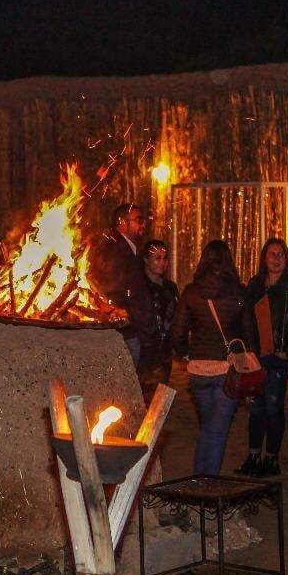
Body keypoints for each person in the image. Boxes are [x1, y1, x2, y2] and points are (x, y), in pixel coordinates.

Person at [172, 240, 250, 476]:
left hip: (198, 372)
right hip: (227, 371)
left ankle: (199, 480)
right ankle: (206, 485)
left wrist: (188, 354)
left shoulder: (191, 292)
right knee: (217, 431)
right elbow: (249, 335)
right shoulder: (238, 292)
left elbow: (177, 334)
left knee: (208, 428)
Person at [235, 238, 288, 478]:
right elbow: (245, 318)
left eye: (281, 254)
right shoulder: (256, 285)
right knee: (257, 407)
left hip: (278, 356)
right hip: (257, 356)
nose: (276, 259)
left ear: (286, 258)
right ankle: (254, 455)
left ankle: (272, 458)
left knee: (274, 405)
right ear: (264, 258)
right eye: (272, 254)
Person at [88, 203, 155, 367]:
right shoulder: (114, 249)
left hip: (130, 329)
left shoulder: (125, 248)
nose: (143, 224)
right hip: (123, 333)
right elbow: (112, 288)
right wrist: (126, 312)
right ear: (122, 222)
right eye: (138, 219)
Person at [136, 238, 180, 402]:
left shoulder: (170, 287)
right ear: (146, 260)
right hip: (144, 349)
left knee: (159, 397)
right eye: (157, 258)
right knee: (143, 394)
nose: (162, 263)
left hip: (164, 351)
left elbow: (176, 314)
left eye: (165, 258)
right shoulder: (139, 286)